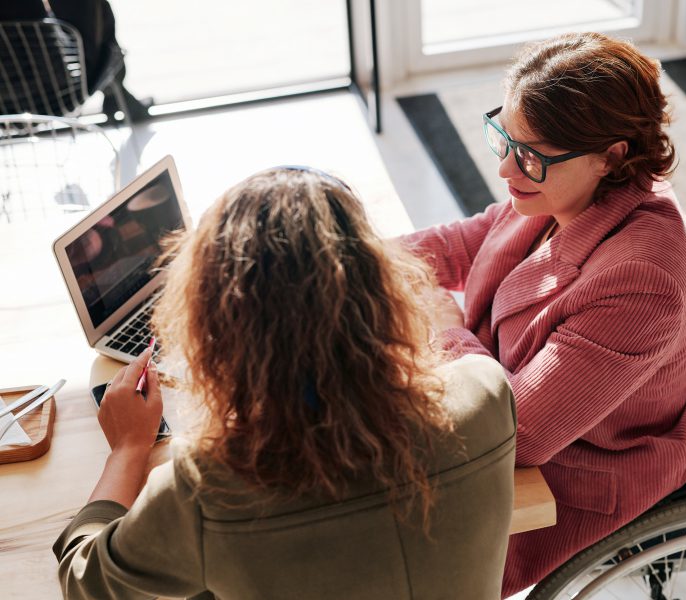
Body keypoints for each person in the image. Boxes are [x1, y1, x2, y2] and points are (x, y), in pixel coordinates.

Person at [53, 167, 517, 599]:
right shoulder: (486, 392)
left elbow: (85, 581)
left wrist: (129, 449)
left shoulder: (206, 488)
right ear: (384, 289)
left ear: (217, 325)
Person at [402, 32, 686, 597]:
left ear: (612, 155)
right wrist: (344, 255)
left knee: (399, 539)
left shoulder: (643, 281)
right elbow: (468, 241)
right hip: (536, 399)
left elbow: (519, 434)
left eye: (529, 155)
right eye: (502, 137)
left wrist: (444, 325)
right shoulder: (562, 187)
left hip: (585, 470)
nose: (506, 169)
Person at [0, 0, 150, 122]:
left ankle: (115, 94)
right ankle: (115, 92)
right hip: (58, 92)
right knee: (94, 10)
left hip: (3, 107)